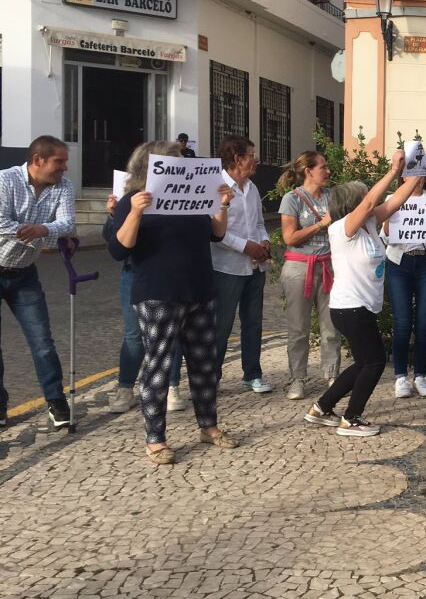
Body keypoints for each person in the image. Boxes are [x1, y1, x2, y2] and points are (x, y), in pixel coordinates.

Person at [108, 141, 238, 464]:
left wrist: (222, 205)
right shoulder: (132, 200)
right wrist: (135, 211)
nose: (183, 166)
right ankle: (155, 439)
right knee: (159, 366)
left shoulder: (193, 198)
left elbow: (217, 233)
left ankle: (208, 426)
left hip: (200, 290)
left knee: (204, 363)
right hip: (158, 294)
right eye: (176, 161)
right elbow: (119, 249)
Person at [304, 151, 424, 436]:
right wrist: (392, 171)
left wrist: (417, 167)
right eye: (363, 199)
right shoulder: (341, 228)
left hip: (361, 307)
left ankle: (321, 408)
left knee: (363, 362)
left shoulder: (369, 223)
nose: (370, 202)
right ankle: (352, 418)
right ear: (353, 205)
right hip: (350, 307)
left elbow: (397, 200)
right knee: (374, 361)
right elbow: (371, 201)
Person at [0, 136, 76, 429]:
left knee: (42, 340)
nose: (65, 167)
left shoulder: (63, 187)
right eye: (59, 161)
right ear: (37, 160)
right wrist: (39, 233)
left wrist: (43, 229)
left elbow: (67, 223)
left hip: (24, 273)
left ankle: (56, 401)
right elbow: (1, 222)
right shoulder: (6, 180)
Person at [104, 190, 185, 414]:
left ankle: (172, 386)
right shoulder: (131, 197)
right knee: (133, 334)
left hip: (168, 270)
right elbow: (113, 243)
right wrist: (114, 215)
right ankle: (126, 388)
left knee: (172, 332)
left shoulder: (174, 194)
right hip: (135, 269)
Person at [210, 136, 272, 393]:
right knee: (221, 325)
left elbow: (258, 223)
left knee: (253, 323)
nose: (255, 160)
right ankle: (212, 377)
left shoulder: (252, 188)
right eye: (251, 155)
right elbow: (216, 231)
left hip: (255, 267)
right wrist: (246, 246)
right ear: (237, 159)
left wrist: (265, 241)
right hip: (227, 268)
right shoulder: (216, 186)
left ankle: (252, 373)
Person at [277, 151, 339, 400]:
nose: (328, 171)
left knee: (331, 326)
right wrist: (321, 224)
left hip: (328, 266)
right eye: (323, 167)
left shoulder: (333, 196)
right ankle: (297, 379)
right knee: (298, 328)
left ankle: (332, 374)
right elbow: (289, 237)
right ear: (308, 171)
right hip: (299, 269)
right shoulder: (292, 199)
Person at [384, 175, 426, 399]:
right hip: (399, 263)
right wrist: (388, 217)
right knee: (402, 322)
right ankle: (401, 375)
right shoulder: (393, 199)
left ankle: (420, 375)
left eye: (421, 172)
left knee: (424, 322)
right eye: (412, 171)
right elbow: (386, 236)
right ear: (403, 176)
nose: (417, 177)